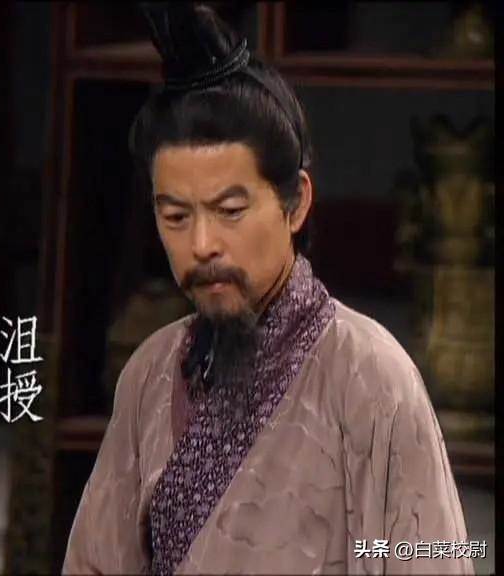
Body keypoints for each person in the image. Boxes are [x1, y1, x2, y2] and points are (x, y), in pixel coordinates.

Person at [63, 3, 473, 574]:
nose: (202, 244)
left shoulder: (372, 378)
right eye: (175, 216)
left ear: (295, 203)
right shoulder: (148, 375)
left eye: (230, 210)